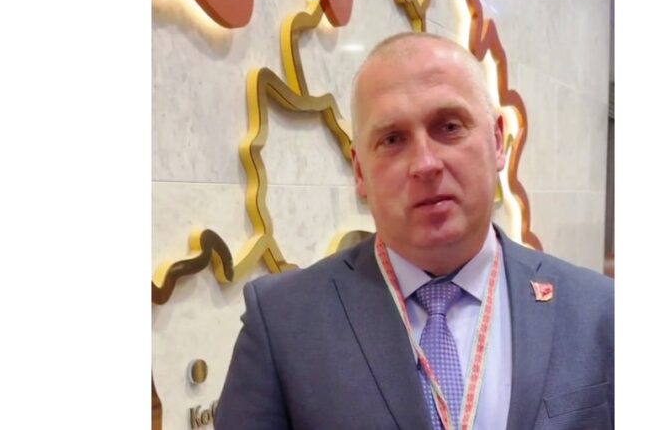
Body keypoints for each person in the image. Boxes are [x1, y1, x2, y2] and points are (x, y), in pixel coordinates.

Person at [215, 32, 614, 430]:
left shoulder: (599, 311)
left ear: (497, 141)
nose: (425, 164)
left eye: (449, 127)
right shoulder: (282, 324)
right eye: (392, 139)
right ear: (359, 171)